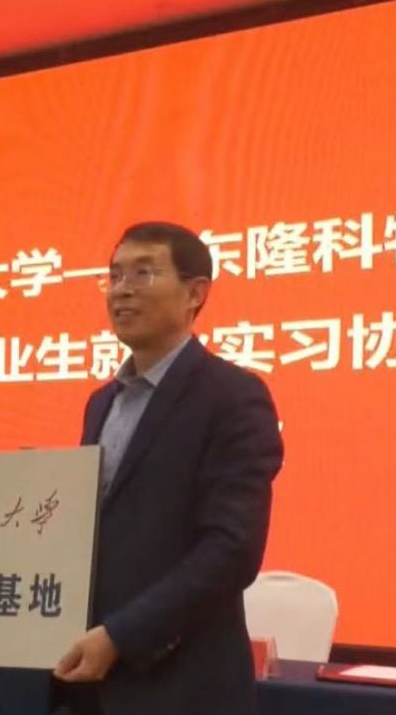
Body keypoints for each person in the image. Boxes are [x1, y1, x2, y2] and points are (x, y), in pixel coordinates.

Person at [52, 221, 284, 714]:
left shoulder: (233, 396)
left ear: (195, 294)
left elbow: (232, 548)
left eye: (144, 273)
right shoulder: (101, 403)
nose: (122, 289)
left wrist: (122, 635)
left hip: (181, 685)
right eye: (115, 275)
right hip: (89, 683)